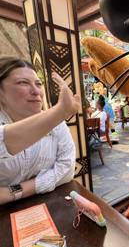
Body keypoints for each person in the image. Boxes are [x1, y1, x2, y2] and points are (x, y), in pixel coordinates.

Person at [0, 56, 80, 205]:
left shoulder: (56, 122)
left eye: (39, 84)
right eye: (23, 83)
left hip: (48, 202)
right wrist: (59, 112)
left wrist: (13, 192)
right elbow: (3, 142)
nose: (36, 91)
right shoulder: (54, 118)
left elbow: (67, 169)